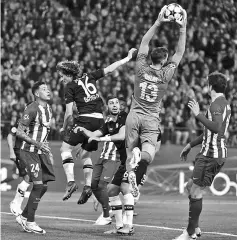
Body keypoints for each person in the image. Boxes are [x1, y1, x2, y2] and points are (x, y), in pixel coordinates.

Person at [56, 48, 137, 204]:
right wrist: (127, 58)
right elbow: (109, 69)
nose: (61, 80)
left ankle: (71, 182)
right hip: (100, 120)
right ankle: (87, 186)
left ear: (68, 74)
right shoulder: (90, 76)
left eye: (62, 76)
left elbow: (68, 113)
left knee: (65, 149)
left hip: (85, 119)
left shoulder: (70, 86)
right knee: (85, 155)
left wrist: (64, 128)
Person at [125, 5, 187, 198]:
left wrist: (158, 22)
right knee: (148, 154)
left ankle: (131, 174)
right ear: (164, 59)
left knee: (129, 156)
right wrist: (183, 28)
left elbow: (144, 41)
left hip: (133, 115)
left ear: (150, 57)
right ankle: (138, 169)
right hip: (151, 118)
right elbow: (180, 53)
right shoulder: (165, 74)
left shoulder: (141, 67)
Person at [175, 72, 231, 240]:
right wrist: (190, 144)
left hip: (211, 154)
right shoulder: (222, 103)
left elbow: (215, 127)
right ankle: (195, 227)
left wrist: (197, 114)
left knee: (195, 191)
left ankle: (189, 232)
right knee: (190, 187)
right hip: (209, 152)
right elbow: (210, 132)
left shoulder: (216, 105)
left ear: (210, 86)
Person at [15, 81, 55, 234]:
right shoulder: (31, 108)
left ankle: (25, 216)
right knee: (38, 185)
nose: (48, 91)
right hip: (30, 151)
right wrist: (36, 143)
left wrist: (47, 150)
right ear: (37, 94)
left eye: (48, 88)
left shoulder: (49, 109)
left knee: (43, 186)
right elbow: (19, 132)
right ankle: (30, 222)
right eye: (44, 89)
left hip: (41, 151)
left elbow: (43, 133)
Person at [7, 106, 31, 216]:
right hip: (19, 151)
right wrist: (11, 151)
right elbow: (10, 135)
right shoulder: (22, 121)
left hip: (28, 152)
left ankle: (17, 203)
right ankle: (16, 204)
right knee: (27, 176)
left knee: (25, 175)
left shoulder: (37, 123)